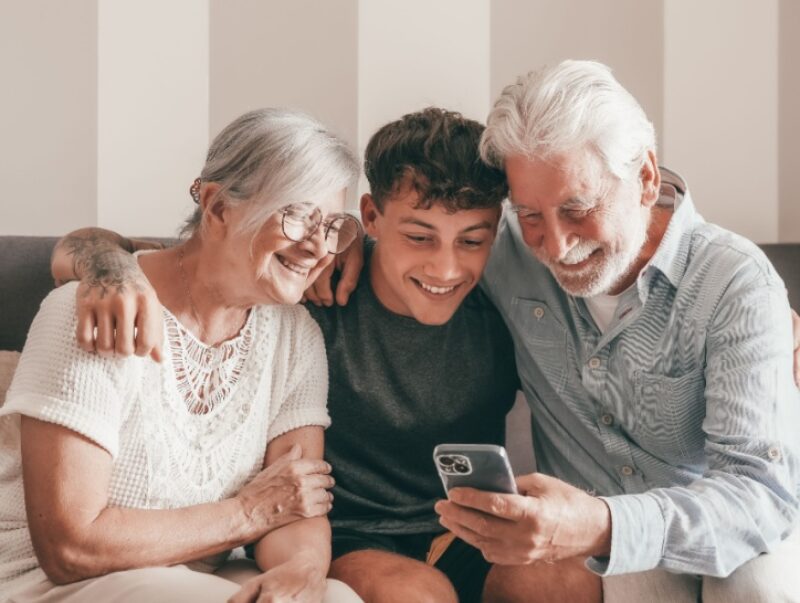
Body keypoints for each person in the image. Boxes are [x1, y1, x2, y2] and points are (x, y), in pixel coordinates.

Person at [46, 108, 593, 603]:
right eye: (420, 237)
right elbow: (135, 250)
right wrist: (106, 267)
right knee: (415, 596)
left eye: (472, 241)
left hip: (466, 530)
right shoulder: (308, 294)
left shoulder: (507, 307)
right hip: (356, 540)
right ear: (372, 218)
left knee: (560, 581)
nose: (446, 269)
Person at [433, 60, 800, 602]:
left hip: (716, 535)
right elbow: (408, 246)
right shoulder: (501, 247)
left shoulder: (735, 283)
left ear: (646, 179)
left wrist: (602, 523)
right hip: (597, 561)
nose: (554, 246)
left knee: (760, 586)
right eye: (529, 214)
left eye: (578, 208)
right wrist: (340, 244)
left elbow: (758, 499)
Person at [0, 108, 364, 603]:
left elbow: (295, 503)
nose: (318, 248)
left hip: (196, 577)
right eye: (298, 216)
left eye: (333, 225)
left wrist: (300, 572)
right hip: (60, 581)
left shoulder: (296, 335)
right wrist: (249, 513)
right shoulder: (97, 309)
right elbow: (71, 547)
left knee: (336, 599)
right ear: (217, 208)